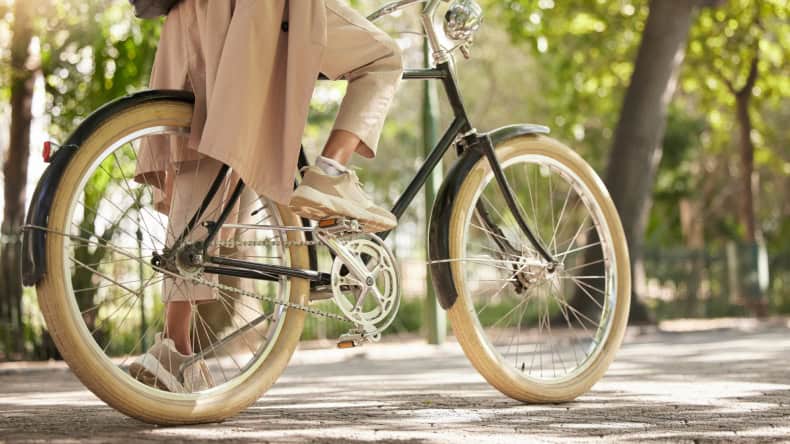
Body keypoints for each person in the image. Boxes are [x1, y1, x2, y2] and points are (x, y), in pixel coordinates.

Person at [129, 0, 403, 392]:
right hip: (254, 10)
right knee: (383, 57)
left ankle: (173, 350)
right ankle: (330, 171)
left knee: (203, 156)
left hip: (187, 14)